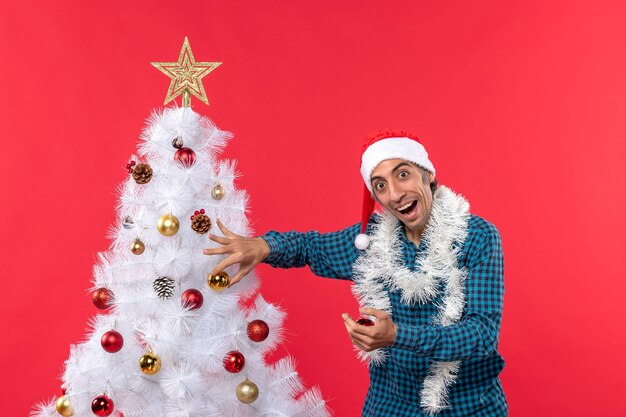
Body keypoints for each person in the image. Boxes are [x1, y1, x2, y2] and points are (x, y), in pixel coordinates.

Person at [202, 129, 507, 416]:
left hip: (468, 405)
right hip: (390, 405)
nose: (396, 193)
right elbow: (311, 247)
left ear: (428, 175)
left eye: (403, 174)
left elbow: (481, 335)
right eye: (380, 185)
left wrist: (397, 336)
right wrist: (264, 246)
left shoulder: (477, 237)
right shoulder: (372, 241)